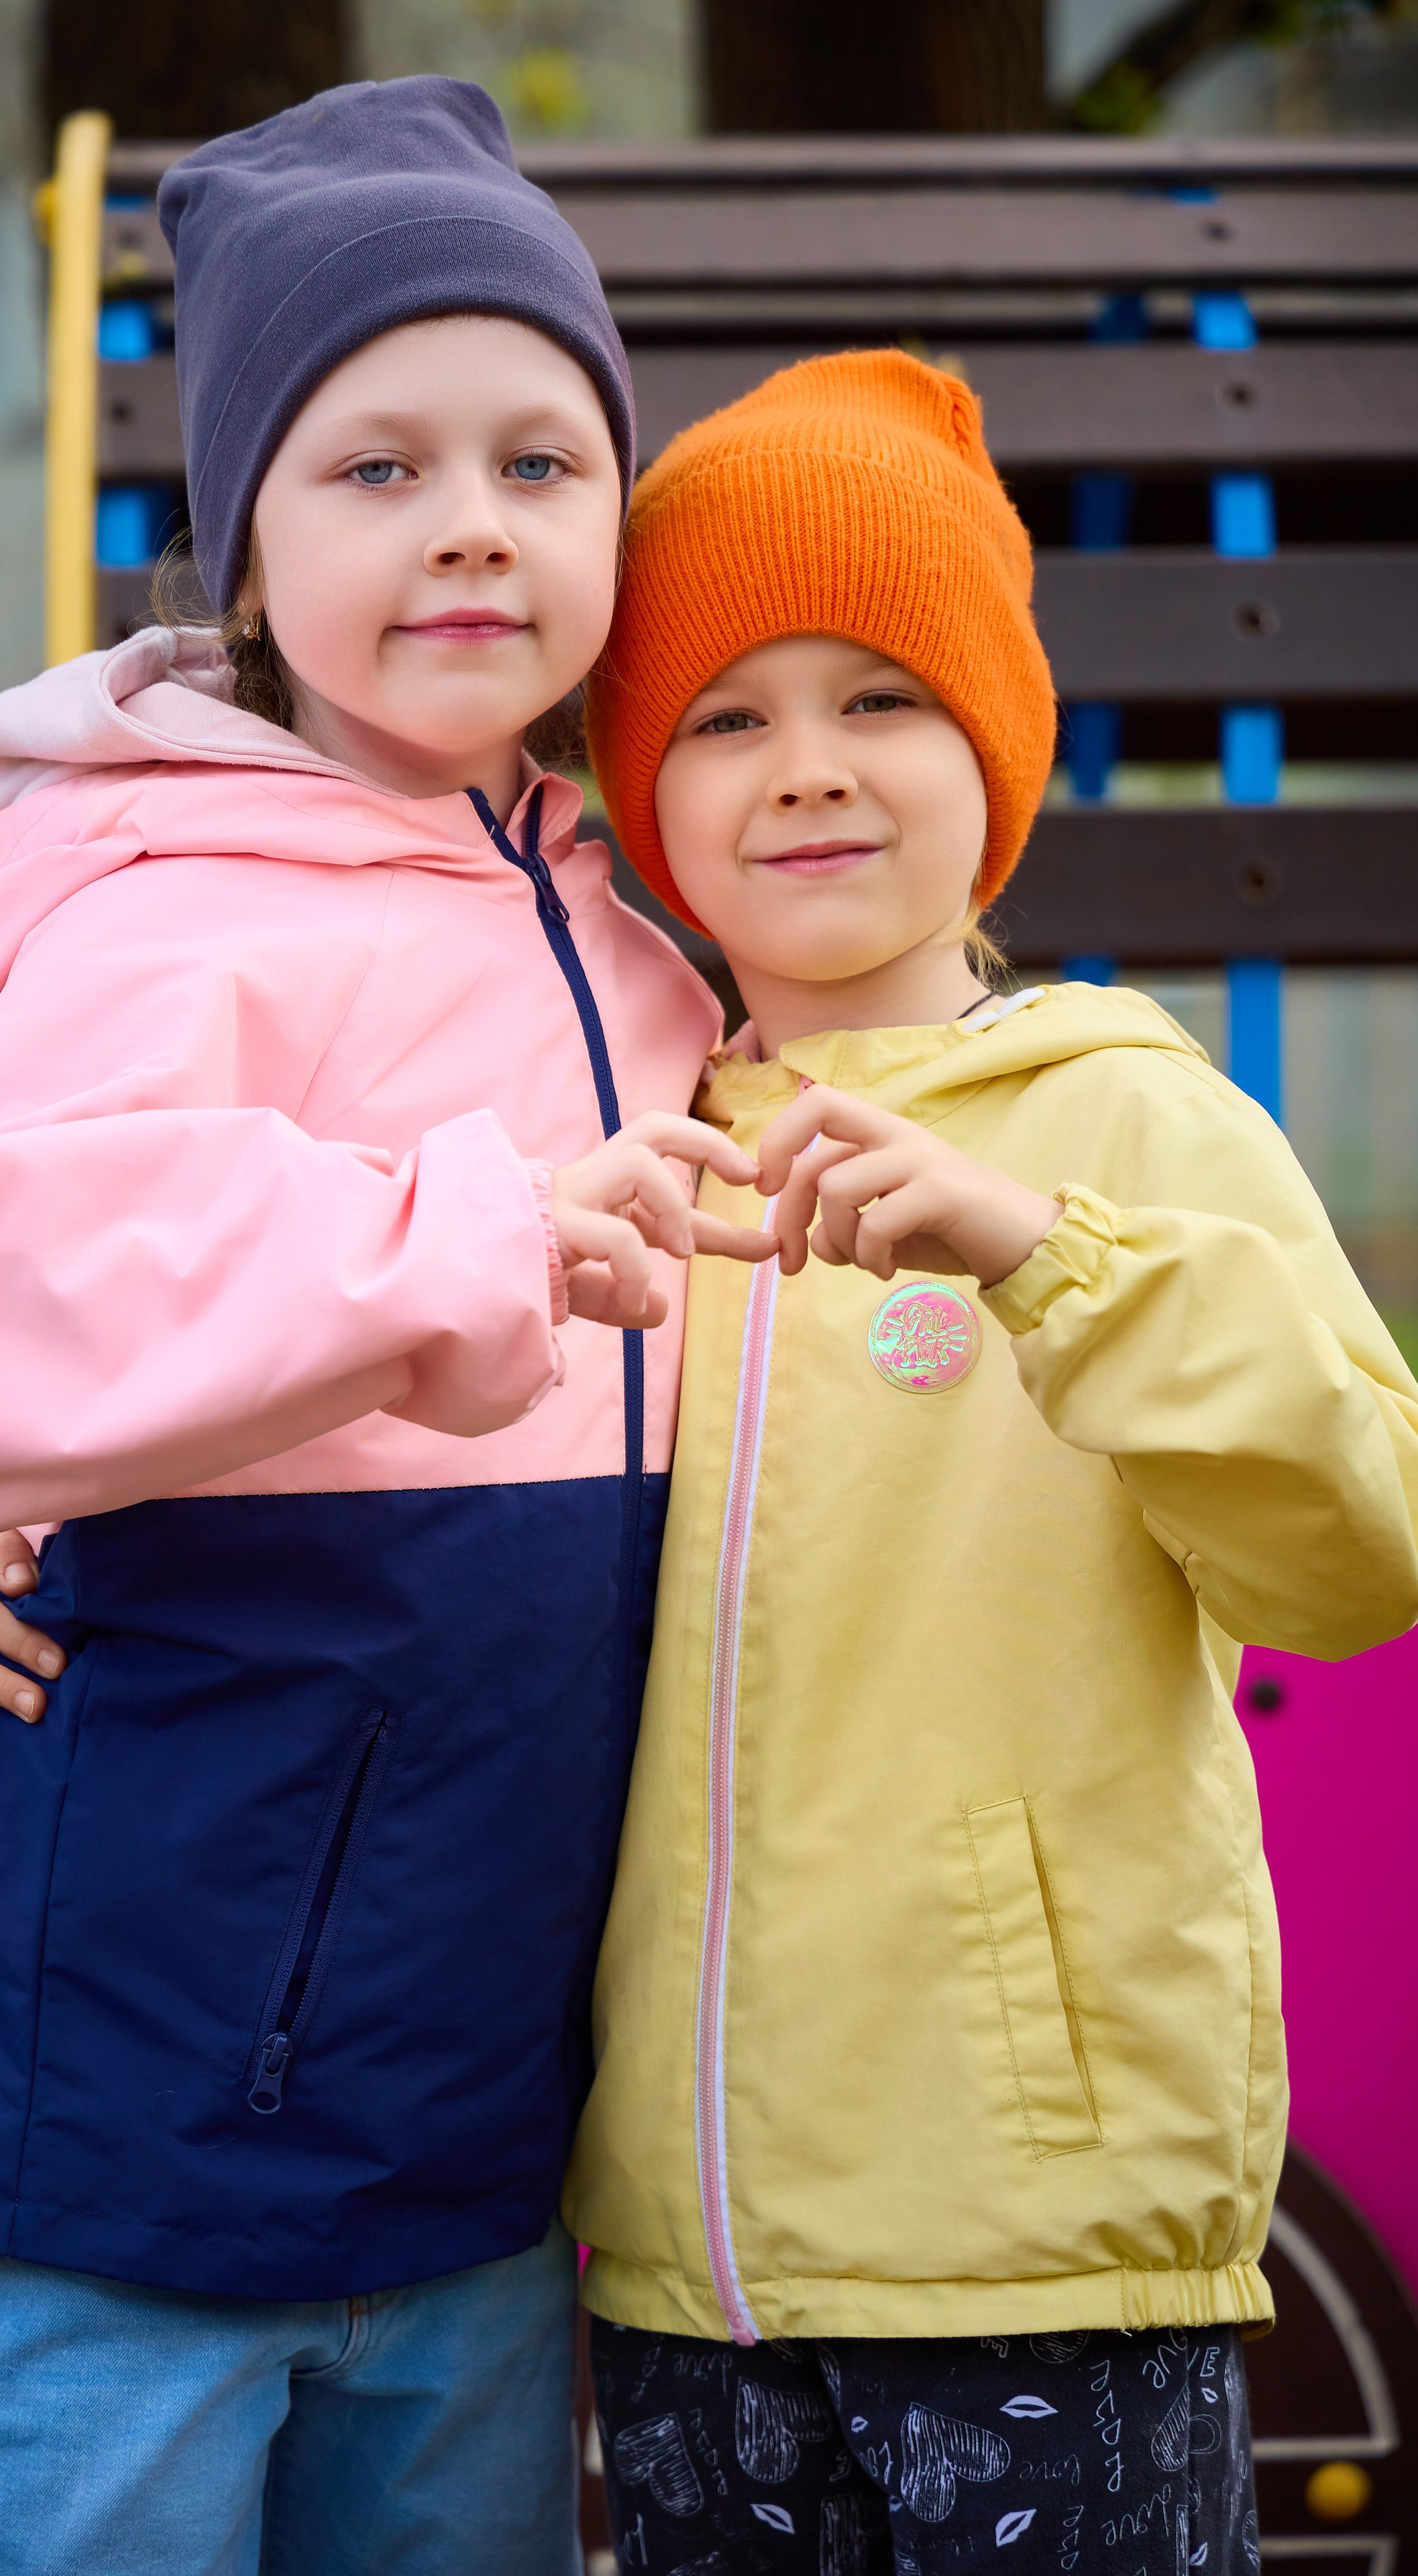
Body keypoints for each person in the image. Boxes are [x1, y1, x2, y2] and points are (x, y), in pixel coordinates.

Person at [0, 77, 771, 2576]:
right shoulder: (160, 904)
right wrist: (453, 1245)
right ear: (245, 543)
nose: (471, 520)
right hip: (129, 2141)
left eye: (542, 462)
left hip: (461, 2153)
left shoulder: (645, 945)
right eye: (375, 468)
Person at [557, 350, 1418, 2573]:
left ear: (996, 750)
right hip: (678, 2267)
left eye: (883, 698)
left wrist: (1052, 1261)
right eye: (724, 716)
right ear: (642, 789)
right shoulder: (621, 1151)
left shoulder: (1129, 1117)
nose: (808, 766)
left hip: (1040, 2246)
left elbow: (1358, 1552)